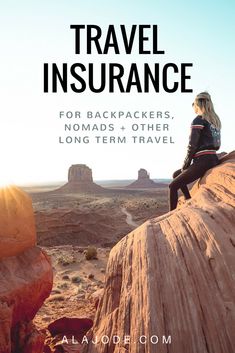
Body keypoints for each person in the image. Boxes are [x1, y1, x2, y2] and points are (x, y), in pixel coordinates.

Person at [169, 92, 221, 211]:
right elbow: (217, 144)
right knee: (176, 175)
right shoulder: (214, 121)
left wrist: (186, 163)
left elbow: (192, 145)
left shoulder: (198, 120)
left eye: (194, 104)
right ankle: (188, 199)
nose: (193, 107)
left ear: (198, 105)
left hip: (203, 161)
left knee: (172, 186)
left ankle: (171, 213)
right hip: (213, 158)